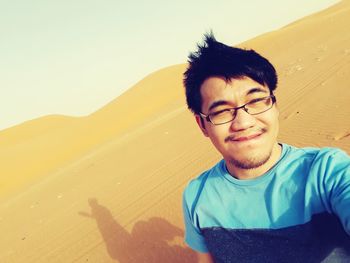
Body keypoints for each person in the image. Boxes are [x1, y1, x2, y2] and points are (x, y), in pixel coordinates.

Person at [182, 33, 350, 263]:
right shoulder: (197, 198)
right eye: (221, 111)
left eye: (255, 101)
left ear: (274, 105)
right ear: (202, 124)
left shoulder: (326, 172)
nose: (243, 122)